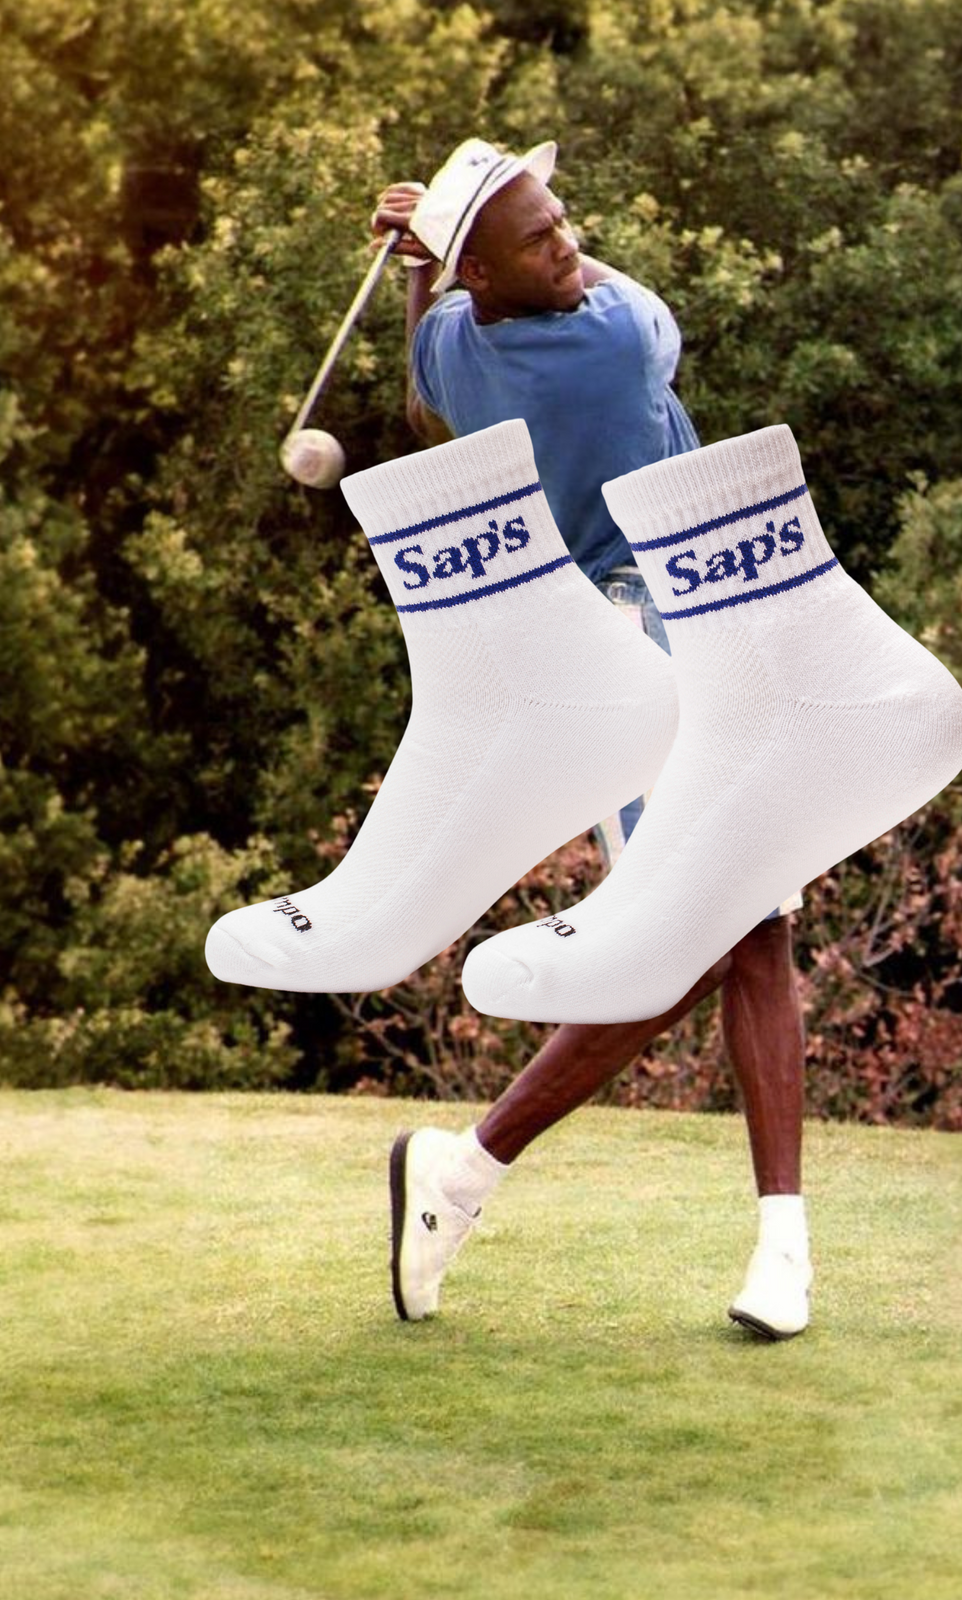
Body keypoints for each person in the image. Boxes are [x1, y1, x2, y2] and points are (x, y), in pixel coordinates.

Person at [369, 138, 812, 1339]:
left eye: (569, 222)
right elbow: (645, 314)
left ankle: (785, 1248)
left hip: (710, 621)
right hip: (643, 644)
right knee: (701, 937)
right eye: (541, 237)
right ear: (488, 278)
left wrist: (426, 263)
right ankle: (462, 1175)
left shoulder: (457, 342)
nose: (570, 245)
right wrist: (442, 244)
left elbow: (423, 389)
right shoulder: (613, 342)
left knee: (752, 926)